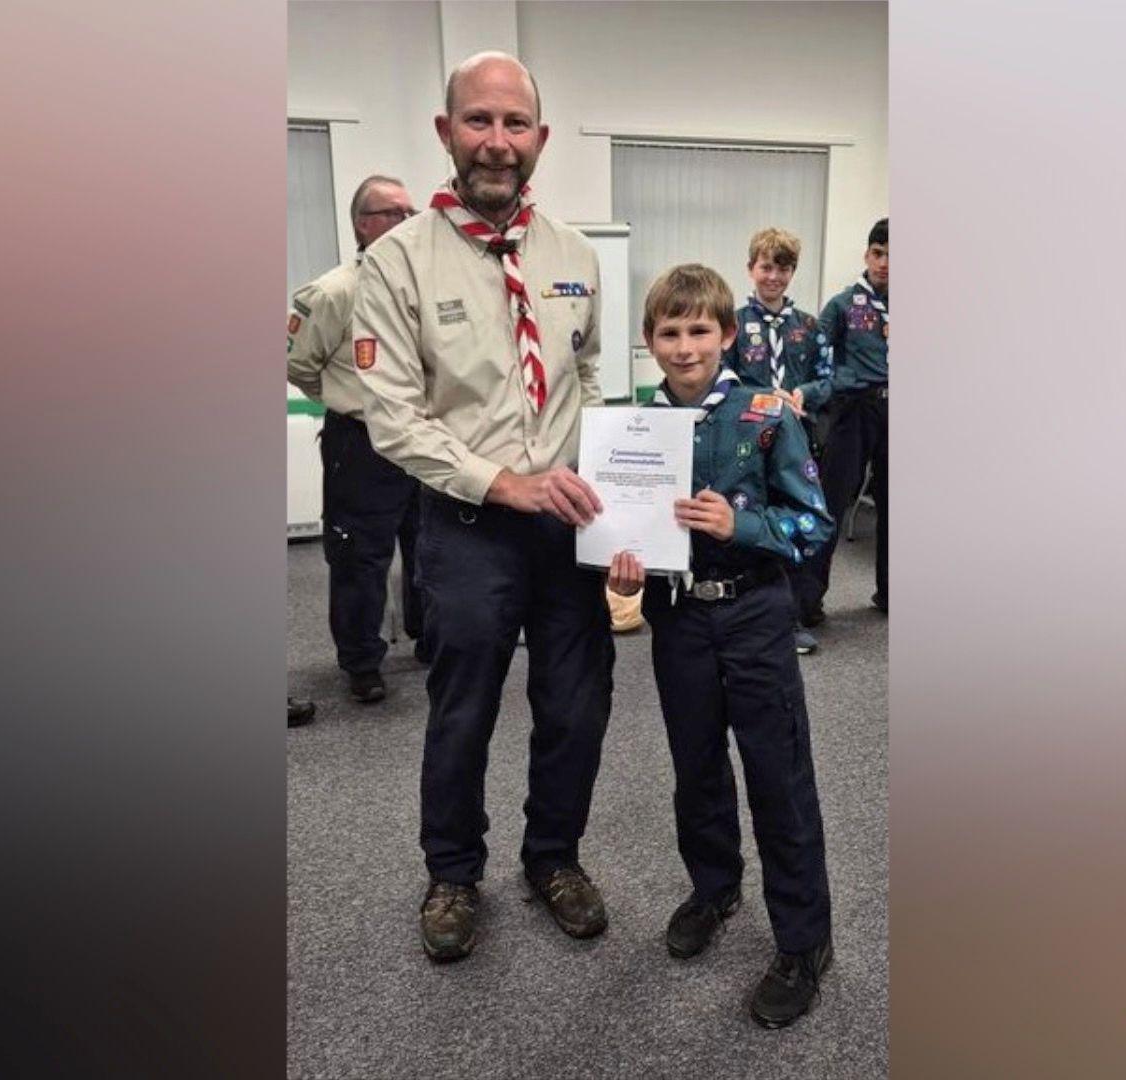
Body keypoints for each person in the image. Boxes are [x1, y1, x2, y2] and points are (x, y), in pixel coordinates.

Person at [354, 51, 614, 961]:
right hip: (467, 530)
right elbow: (392, 417)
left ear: (539, 140)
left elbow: (585, 372)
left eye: (514, 125)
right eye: (478, 122)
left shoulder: (575, 256)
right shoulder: (395, 265)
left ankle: (555, 858)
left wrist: (610, 486)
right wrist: (504, 480)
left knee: (577, 706)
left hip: (564, 528)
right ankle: (453, 873)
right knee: (463, 709)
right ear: (445, 132)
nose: (496, 143)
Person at [608, 264, 835, 1029]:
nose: (684, 346)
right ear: (649, 342)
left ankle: (805, 942)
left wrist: (741, 526)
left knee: (778, 776)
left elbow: (814, 525)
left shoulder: (766, 415)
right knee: (696, 768)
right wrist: (621, 555)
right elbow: (623, 527)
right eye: (668, 333)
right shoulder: (633, 430)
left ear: (727, 333)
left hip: (753, 618)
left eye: (699, 330)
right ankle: (714, 889)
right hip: (678, 620)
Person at [287, 175, 426, 704]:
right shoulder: (334, 291)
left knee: (428, 547)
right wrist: (349, 397)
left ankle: (429, 639)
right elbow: (298, 363)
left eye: (412, 212)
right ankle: (362, 662)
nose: (409, 222)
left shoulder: (419, 287)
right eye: (396, 213)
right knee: (360, 558)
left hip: (420, 437)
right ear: (364, 224)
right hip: (362, 443)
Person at [721, 227, 835, 654]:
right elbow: (724, 380)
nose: (774, 276)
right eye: (766, 266)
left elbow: (830, 376)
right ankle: (756, 617)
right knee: (754, 523)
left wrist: (807, 393)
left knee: (792, 524)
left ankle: (792, 619)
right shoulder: (732, 324)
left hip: (796, 441)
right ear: (751, 268)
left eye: (783, 268)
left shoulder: (808, 325)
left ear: (792, 273)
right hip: (749, 443)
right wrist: (764, 398)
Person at [808, 217, 889, 617]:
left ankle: (890, 593)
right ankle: (807, 602)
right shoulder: (843, 305)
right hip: (853, 408)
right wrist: (845, 380)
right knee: (831, 503)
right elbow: (816, 358)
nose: (886, 263)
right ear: (867, 255)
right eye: (879, 254)